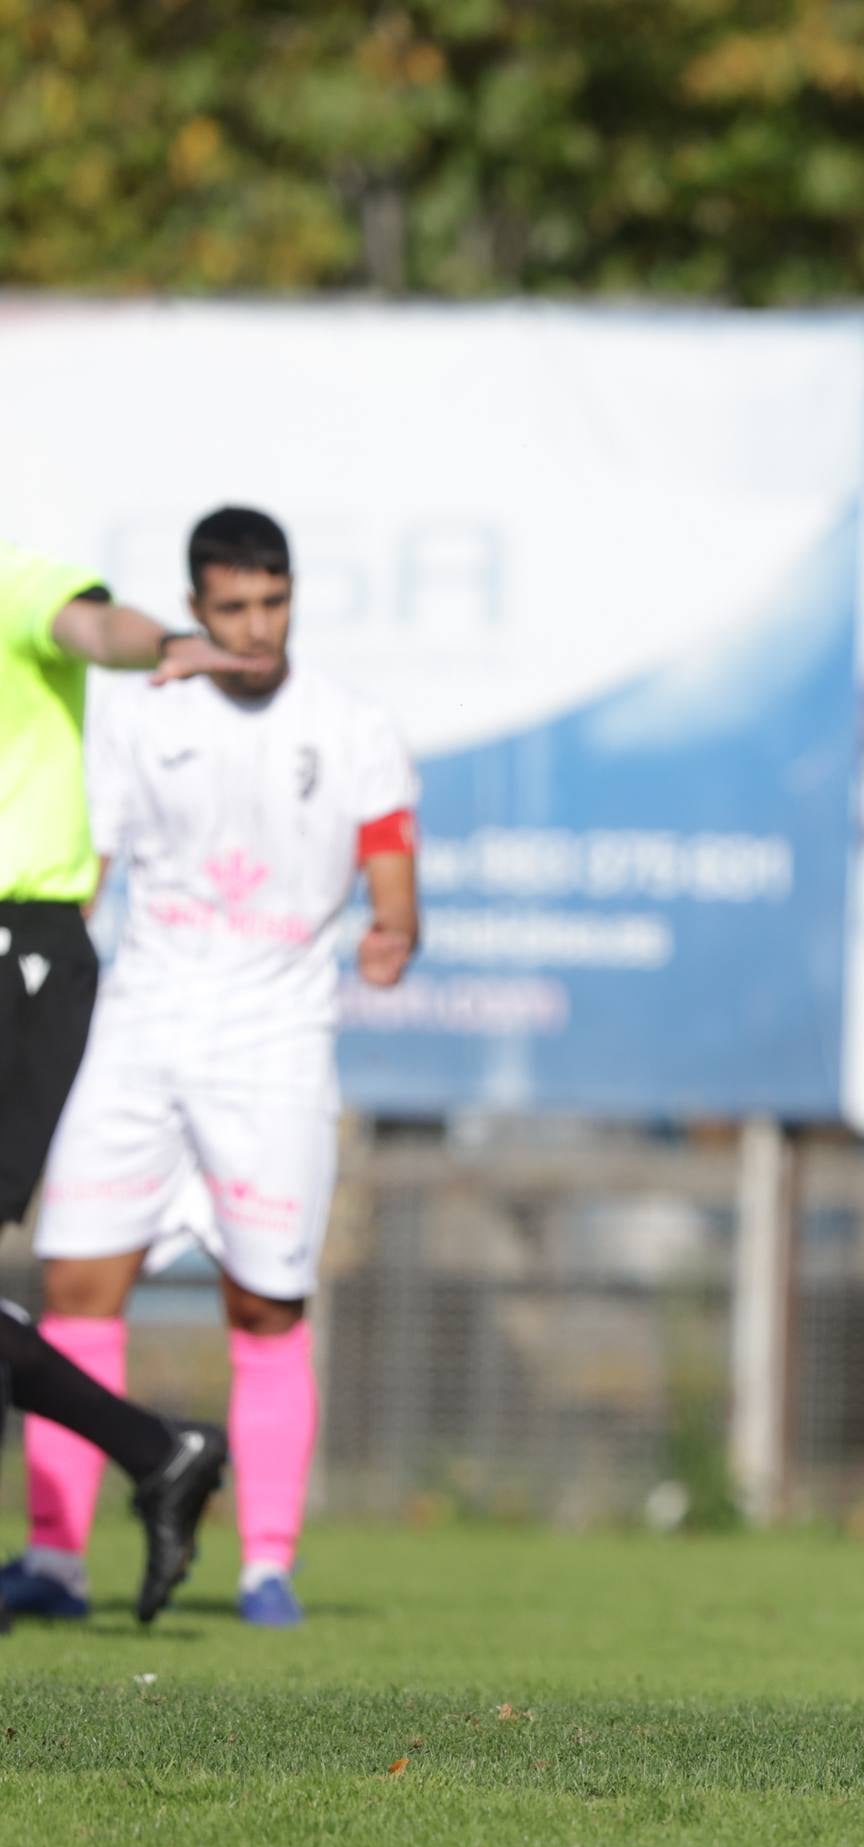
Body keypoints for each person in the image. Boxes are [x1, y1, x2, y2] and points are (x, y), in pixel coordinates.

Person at [3, 507, 420, 1630]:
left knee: (266, 1303)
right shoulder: (147, 724)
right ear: (197, 610)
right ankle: (54, 1561)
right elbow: (88, 866)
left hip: (274, 1046)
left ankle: (265, 1568)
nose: (254, 628)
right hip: (139, 1034)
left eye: (272, 604)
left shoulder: (348, 725)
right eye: (232, 608)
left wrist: (393, 928)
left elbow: (390, 857)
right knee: (76, 1287)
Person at [1, 538, 253, 1625]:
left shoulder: (13, 579)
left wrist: (176, 641)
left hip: (22, 948)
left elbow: (97, 629)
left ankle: (158, 1450)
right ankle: (159, 1451)